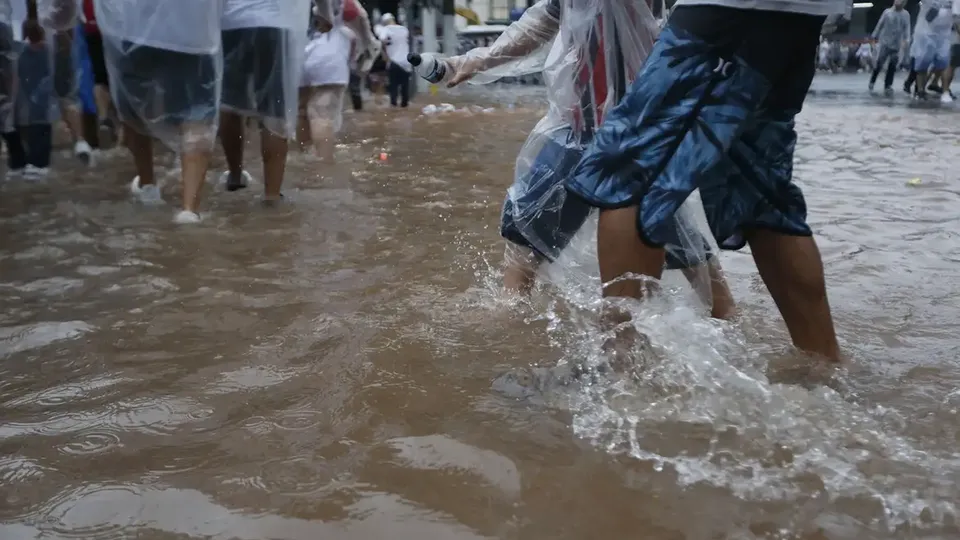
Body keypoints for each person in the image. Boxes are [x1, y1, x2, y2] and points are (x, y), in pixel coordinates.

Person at [562, 0, 846, 361]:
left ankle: (617, 364)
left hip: (728, 12)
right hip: (798, 17)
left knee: (629, 165)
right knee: (761, 193)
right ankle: (824, 367)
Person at [438, 0, 735, 318]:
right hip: (606, 124)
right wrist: (477, 61)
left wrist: (478, 61)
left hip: (615, 129)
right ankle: (727, 325)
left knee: (526, 238)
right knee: (671, 235)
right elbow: (549, 18)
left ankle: (507, 333)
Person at [95, 0, 225, 223]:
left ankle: (147, 184)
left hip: (135, 32)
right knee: (197, 114)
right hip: (193, 34)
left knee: (135, 107)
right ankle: (189, 208)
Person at [217, 0, 312, 201]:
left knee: (228, 103)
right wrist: (326, 13)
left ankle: (235, 175)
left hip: (231, 23)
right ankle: (272, 195)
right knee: (275, 109)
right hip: (275, 24)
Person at [16, 16, 55, 178]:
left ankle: (33, 162)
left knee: (34, 130)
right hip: (43, 99)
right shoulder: (47, 50)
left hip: (30, 98)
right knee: (42, 129)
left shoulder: (22, 52)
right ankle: (40, 163)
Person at [79, 0, 116, 147]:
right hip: (113, 28)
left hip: (91, 26)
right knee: (117, 77)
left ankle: (103, 117)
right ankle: (123, 129)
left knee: (99, 77)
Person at [910, 0, 955, 102]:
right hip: (925, 33)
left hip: (944, 35)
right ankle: (920, 91)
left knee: (944, 63)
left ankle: (945, 92)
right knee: (923, 62)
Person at [869, 0, 911, 93]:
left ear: (904, 3)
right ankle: (872, 81)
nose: (898, 2)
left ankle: (888, 85)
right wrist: (873, 37)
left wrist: (906, 40)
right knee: (879, 63)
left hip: (897, 44)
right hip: (885, 42)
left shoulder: (905, 14)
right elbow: (879, 25)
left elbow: (907, 28)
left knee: (892, 65)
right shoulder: (887, 12)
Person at [375, 13, 411, 108]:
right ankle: (404, 107)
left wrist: (385, 54)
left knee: (393, 88)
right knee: (405, 89)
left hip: (393, 62)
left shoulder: (385, 29)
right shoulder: (404, 29)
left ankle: (394, 108)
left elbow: (381, 40)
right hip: (406, 63)